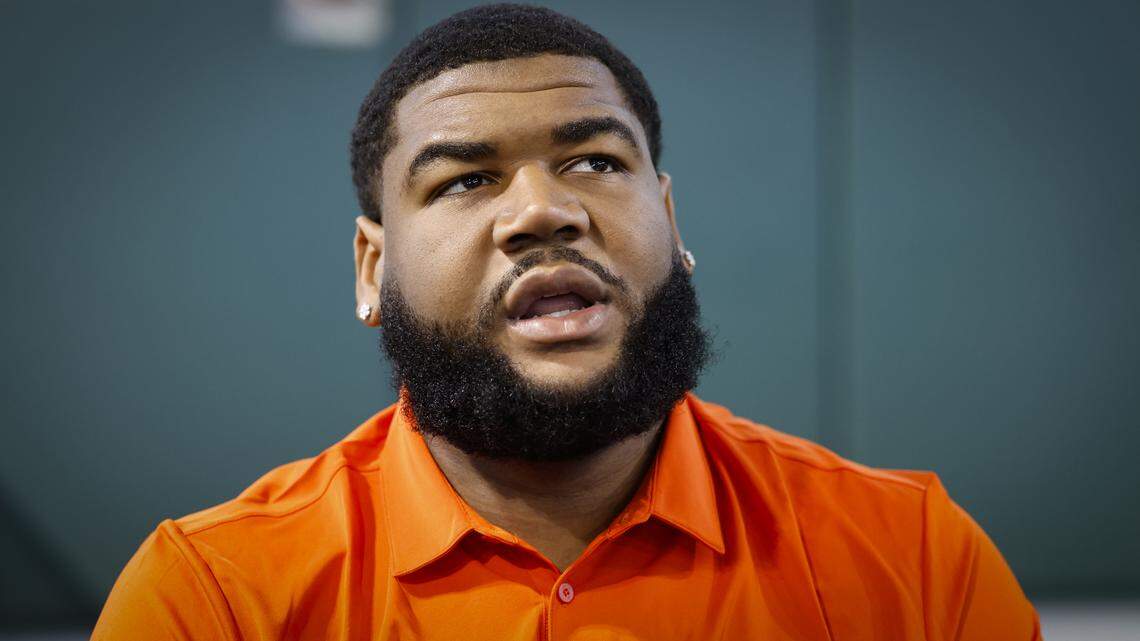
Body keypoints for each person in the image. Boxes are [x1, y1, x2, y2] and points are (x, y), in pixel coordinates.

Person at [92, 4, 1041, 639]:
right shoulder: (213, 597)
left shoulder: (914, 561)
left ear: (669, 220)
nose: (542, 210)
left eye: (593, 161)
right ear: (372, 268)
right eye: (465, 179)